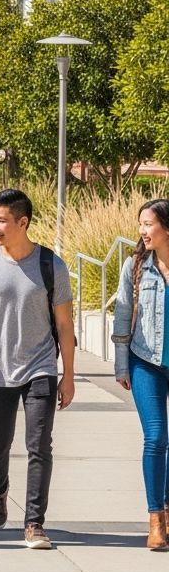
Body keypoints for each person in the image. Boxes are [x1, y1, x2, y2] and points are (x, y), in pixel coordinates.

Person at [0, 187, 75, 550]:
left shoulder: (50, 265)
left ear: (23, 222)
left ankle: (34, 523)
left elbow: (64, 324)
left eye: (2, 220)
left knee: (39, 444)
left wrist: (68, 374)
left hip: (40, 366)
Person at [112, 198, 169, 551]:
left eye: (148, 224)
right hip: (145, 361)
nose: (142, 231)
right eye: (141, 225)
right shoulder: (135, 267)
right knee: (156, 438)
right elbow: (122, 318)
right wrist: (121, 364)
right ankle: (155, 520)